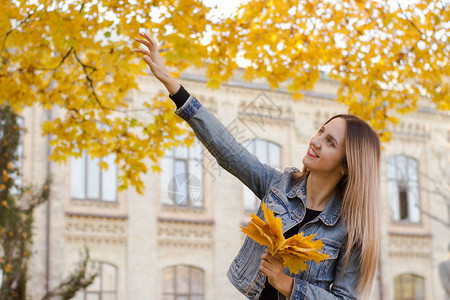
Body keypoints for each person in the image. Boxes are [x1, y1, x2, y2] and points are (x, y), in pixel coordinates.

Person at [134, 31, 381, 300]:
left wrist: (288, 285)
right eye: (321, 131)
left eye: (330, 141)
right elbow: (228, 150)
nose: (316, 141)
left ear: (347, 166)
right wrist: (173, 86)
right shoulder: (279, 186)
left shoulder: (351, 227)